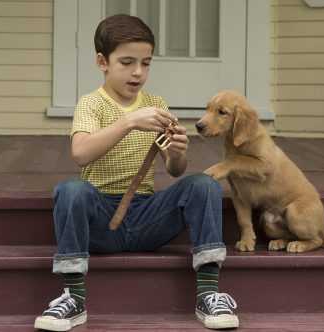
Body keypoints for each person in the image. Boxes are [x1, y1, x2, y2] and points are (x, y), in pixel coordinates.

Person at [34, 14, 238, 331]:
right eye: (127, 62)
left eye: (146, 62)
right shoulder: (91, 104)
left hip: (146, 216)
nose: (138, 72)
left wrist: (176, 153)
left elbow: (174, 171)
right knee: (71, 190)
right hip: (100, 218)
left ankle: (209, 294)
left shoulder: (156, 103)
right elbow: (80, 153)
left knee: (203, 184)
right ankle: (73, 298)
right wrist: (129, 121)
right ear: (103, 61)